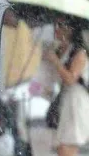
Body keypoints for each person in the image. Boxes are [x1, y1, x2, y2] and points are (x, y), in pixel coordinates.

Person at [44, 16, 89, 156]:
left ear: (70, 30)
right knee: (62, 147)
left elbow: (70, 79)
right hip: (65, 100)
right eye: (56, 25)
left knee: (66, 147)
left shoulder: (79, 52)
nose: (57, 29)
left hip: (76, 102)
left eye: (61, 26)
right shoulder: (62, 49)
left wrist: (56, 61)